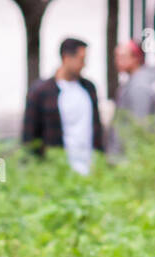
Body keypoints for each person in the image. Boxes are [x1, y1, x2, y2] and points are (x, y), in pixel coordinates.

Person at [22, 38, 104, 174]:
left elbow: (97, 128)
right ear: (66, 57)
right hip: (56, 169)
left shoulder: (89, 88)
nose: (84, 65)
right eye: (81, 59)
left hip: (89, 167)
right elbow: (30, 135)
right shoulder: (41, 92)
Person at [109, 39, 155, 154]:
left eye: (122, 57)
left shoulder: (139, 87)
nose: (117, 61)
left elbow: (139, 127)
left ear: (136, 58)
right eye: (116, 56)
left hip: (133, 158)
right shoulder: (133, 82)